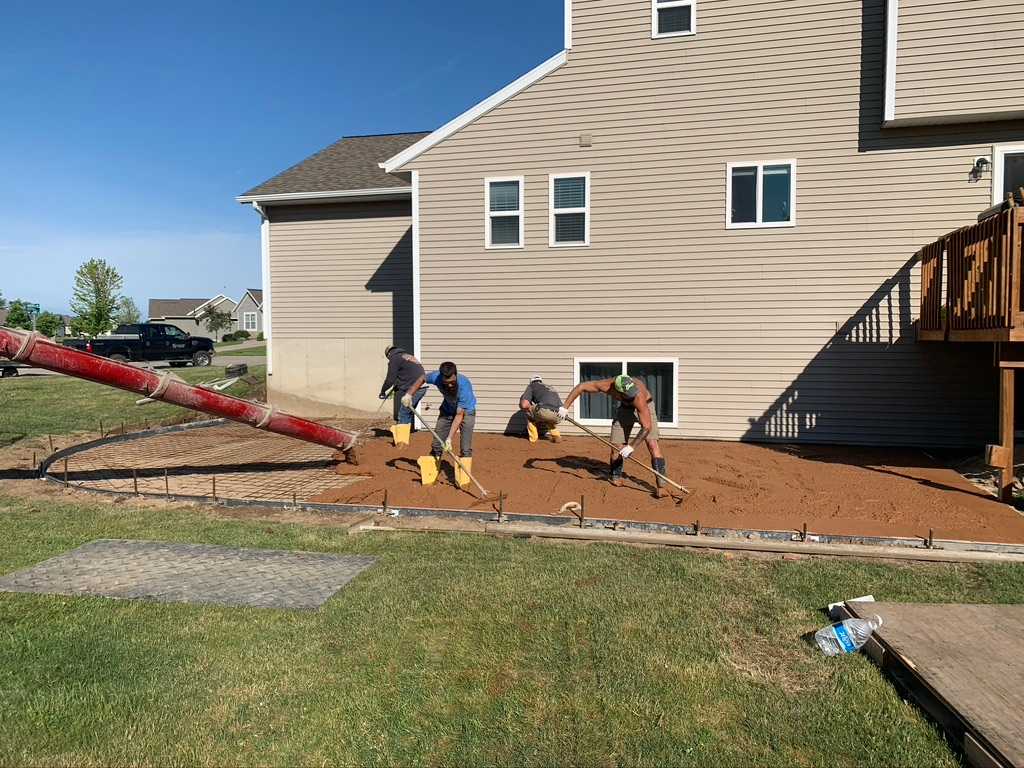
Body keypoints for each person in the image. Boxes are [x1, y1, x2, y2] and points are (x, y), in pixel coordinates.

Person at [559, 374, 668, 498]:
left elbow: (646, 427)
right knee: (617, 445)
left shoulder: (638, 395)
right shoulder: (606, 385)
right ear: (618, 390)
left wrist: (631, 447)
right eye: (627, 394)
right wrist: (565, 407)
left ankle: (661, 486)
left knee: (652, 444)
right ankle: (615, 476)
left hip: (645, 406)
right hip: (625, 408)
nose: (631, 394)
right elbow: (581, 387)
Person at [405, 361, 477, 487]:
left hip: (466, 412)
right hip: (447, 410)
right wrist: (409, 394)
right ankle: (431, 473)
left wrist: (449, 439)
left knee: (465, 448)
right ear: (441, 377)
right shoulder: (436, 377)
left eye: (452, 382)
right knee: (437, 443)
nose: (449, 385)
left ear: (456, 374)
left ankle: (463, 481)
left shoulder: (464, 385)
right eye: (446, 383)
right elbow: (422, 378)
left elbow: (460, 415)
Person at [379, 345, 425, 446]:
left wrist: (383, 391)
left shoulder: (394, 358)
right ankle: (404, 437)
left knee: (403, 413)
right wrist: (397, 387)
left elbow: (390, 379)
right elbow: (408, 374)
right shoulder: (406, 356)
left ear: (389, 354)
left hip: (414, 389)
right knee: (407, 413)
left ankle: (401, 441)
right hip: (422, 387)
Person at [519, 375, 562, 443]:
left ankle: (533, 439)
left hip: (546, 412)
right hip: (559, 415)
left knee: (529, 412)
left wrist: (528, 408)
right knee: (547, 417)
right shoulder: (550, 387)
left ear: (531, 382)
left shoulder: (532, 386)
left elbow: (524, 405)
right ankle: (556, 435)